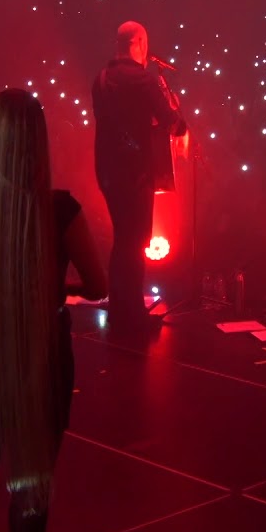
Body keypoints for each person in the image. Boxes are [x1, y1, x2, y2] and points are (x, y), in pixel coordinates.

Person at [0, 88, 107, 532]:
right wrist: (54, 286)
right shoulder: (64, 211)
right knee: (31, 482)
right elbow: (99, 288)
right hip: (43, 349)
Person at [91, 21, 186, 336]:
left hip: (106, 169)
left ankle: (121, 309)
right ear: (140, 42)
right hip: (136, 172)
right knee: (135, 241)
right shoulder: (144, 79)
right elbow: (174, 124)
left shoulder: (101, 79)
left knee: (122, 239)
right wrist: (174, 112)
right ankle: (131, 315)